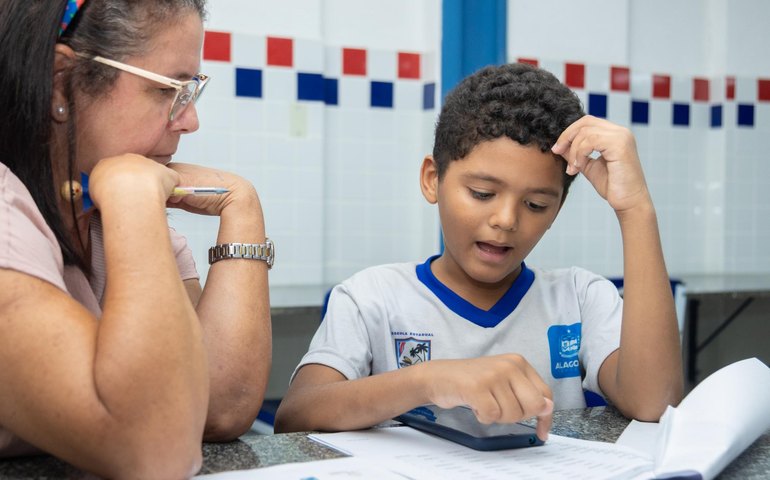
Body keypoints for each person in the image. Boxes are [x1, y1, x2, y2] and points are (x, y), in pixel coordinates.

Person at [274, 62, 683, 439]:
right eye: (482, 193)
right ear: (432, 179)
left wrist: (635, 210)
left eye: (536, 204)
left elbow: (654, 403)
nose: (506, 220)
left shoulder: (579, 298)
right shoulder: (371, 298)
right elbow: (296, 415)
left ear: (557, 209)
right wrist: (428, 380)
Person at [0, 0, 272, 477]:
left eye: (192, 90)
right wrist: (134, 198)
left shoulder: (115, 223)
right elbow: (157, 450)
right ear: (59, 83)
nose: (189, 120)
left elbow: (217, 408)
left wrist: (241, 206)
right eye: (169, 90)